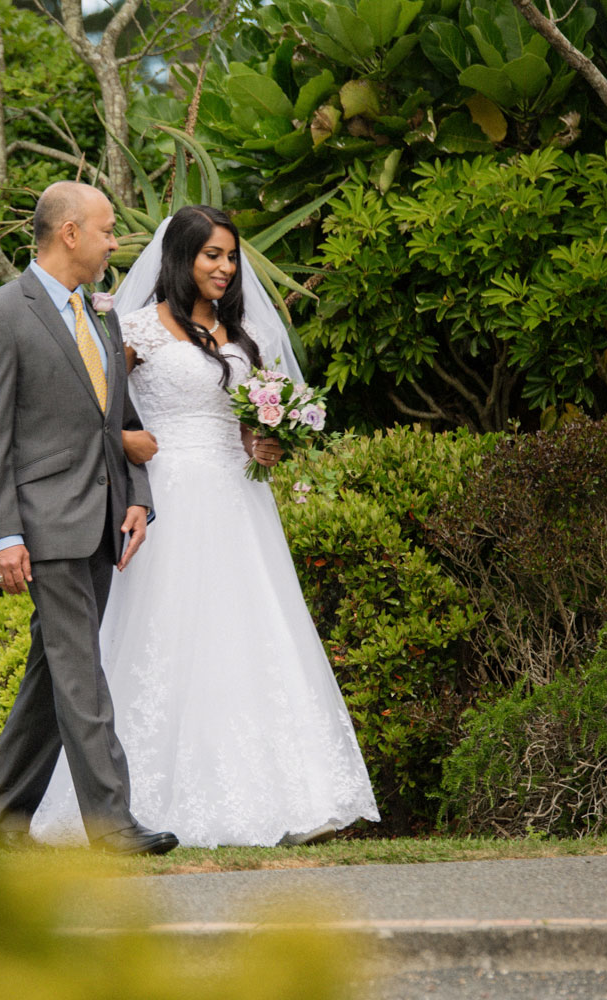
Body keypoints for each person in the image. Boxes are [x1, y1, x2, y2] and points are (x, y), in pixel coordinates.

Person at [27, 205, 380, 848]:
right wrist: (128, 439)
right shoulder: (134, 330)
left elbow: (246, 422)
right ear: (181, 258)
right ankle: (136, 803)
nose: (224, 267)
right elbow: (89, 410)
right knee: (167, 635)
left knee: (248, 635)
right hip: (169, 499)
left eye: (231, 256)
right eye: (211, 254)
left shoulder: (244, 335)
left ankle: (283, 798)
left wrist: (262, 443)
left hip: (238, 505)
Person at [0, 181, 179, 856]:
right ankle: (112, 824)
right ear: (70, 234)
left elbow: (119, 420)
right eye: (108, 229)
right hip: (44, 524)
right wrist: (3, 534)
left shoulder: (104, 315)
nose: (118, 242)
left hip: (104, 518)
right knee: (80, 668)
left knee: (54, 672)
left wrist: (137, 493)